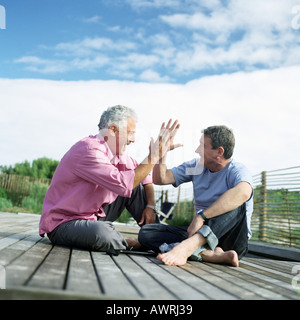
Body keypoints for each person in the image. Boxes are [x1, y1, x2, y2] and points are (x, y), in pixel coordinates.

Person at [39, 105, 180, 252]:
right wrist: (155, 155)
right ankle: (135, 244)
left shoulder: (118, 154)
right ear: (113, 130)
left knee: (136, 185)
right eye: (130, 133)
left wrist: (150, 206)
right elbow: (125, 184)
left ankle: (160, 239)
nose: (133, 139)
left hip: (94, 215)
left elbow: (144, 178)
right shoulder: (89, 150)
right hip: (65, 223)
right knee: (104, 233)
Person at [138, 125, 253, 267]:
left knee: (237, 200)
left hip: (231, 240)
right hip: (197, 233)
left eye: (202, 146)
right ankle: (208, 254)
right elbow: (161, 179)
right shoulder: (197, 166)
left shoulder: (237, 170)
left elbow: (244, 192)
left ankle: (187, 248)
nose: (197, 150)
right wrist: (162, 153)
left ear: (219, 151)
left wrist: (201, 216)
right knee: (146, 233)